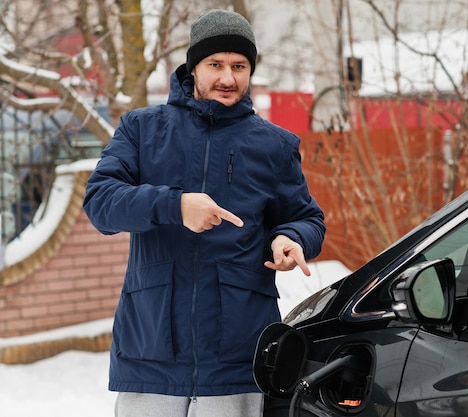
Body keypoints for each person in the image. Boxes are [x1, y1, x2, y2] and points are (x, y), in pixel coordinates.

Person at [83, 9, 325, 417]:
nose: (228, 78)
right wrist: (174, 205)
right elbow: (101, 202)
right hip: (152, 351)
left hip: (236, 356)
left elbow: (306, 218)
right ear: (193, 67)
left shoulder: (275, 145)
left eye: (239, 66)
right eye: (215, 64)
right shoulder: (141, 130)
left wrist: (291, 238)